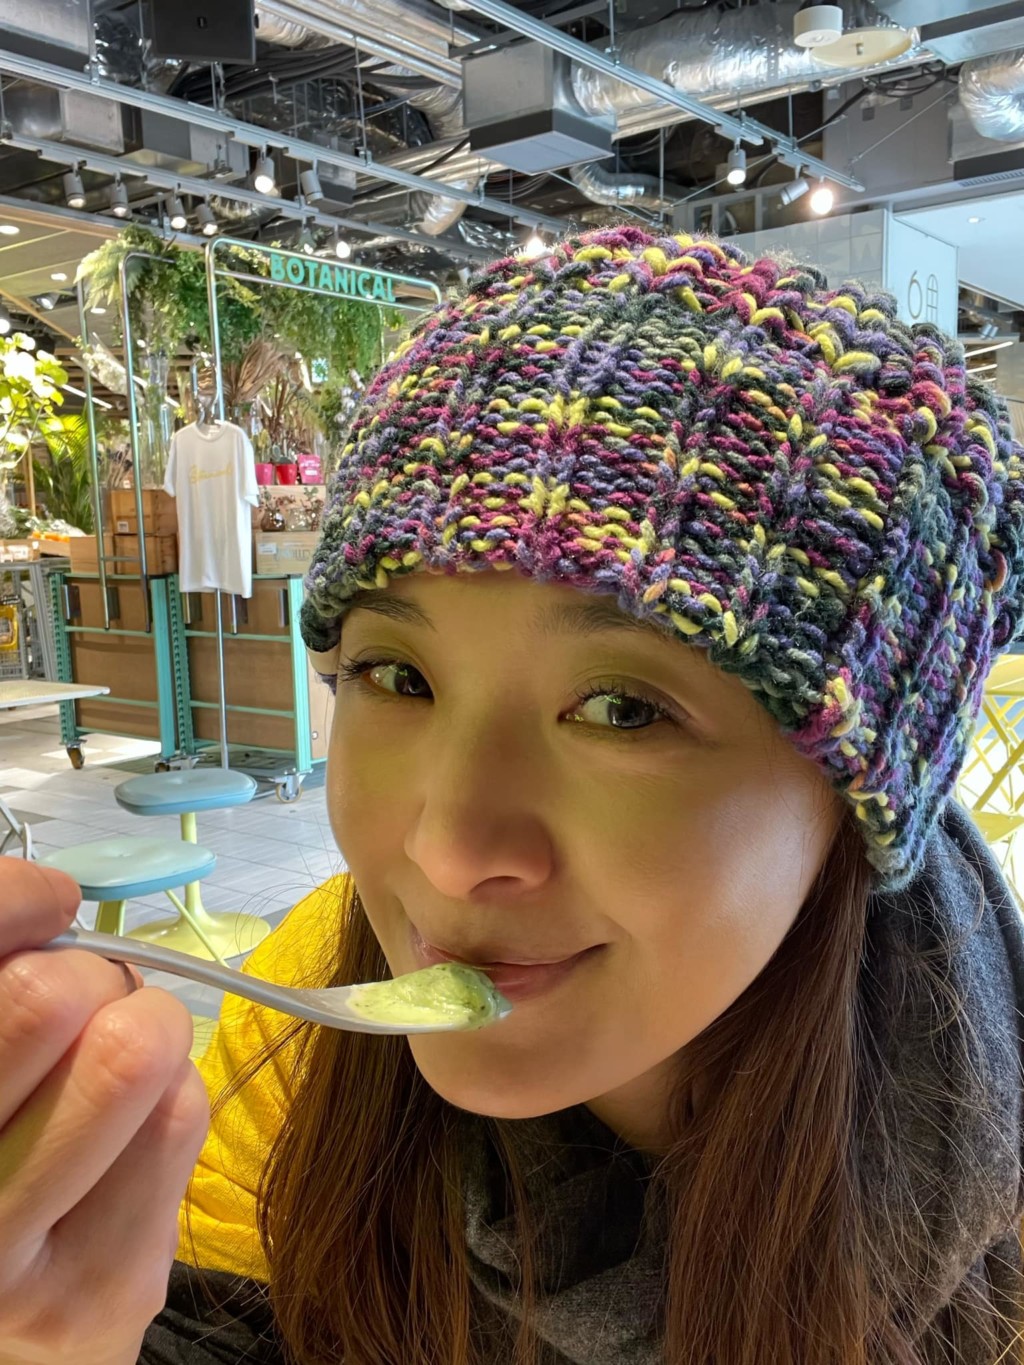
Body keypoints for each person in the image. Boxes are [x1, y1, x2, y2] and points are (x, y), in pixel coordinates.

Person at [2, 226, 1024, 1365]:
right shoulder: (295, 1035)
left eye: (622, 709)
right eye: (398, 677)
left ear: (861, 803)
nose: (447, 852)